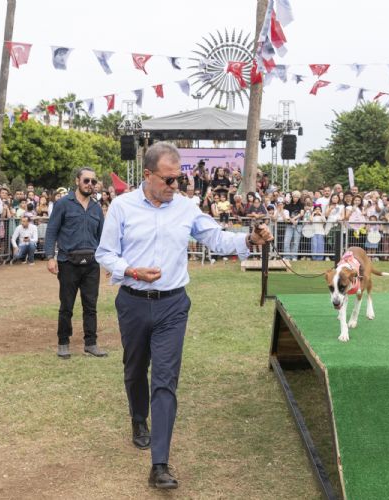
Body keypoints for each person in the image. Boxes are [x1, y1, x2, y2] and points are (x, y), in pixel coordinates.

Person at [95, 142, 273, 490]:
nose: (175, 186)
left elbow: (217, 239)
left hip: (173, 305)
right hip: (132, 301)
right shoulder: (122, 206)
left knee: (164, 380)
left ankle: (159, 463)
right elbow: (105, 253)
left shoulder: (186, 208)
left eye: (180, 179)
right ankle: (137, 419)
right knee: (135, 370)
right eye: (168, 180)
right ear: (147, 175)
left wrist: (250, 239)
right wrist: (130, 271)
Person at [45, 168, 106, 359]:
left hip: (91, 264)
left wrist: (109, 262)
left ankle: (91, 343)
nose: (90, 184)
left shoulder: (97, 208)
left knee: (91, 306)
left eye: (93, 181)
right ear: (77, 181)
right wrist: (50, 257)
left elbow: (103, 237)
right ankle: (63, 342)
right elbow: (51, 231)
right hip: (68, 263)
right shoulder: (63, 204)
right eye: (86, 180)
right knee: (67, 306)